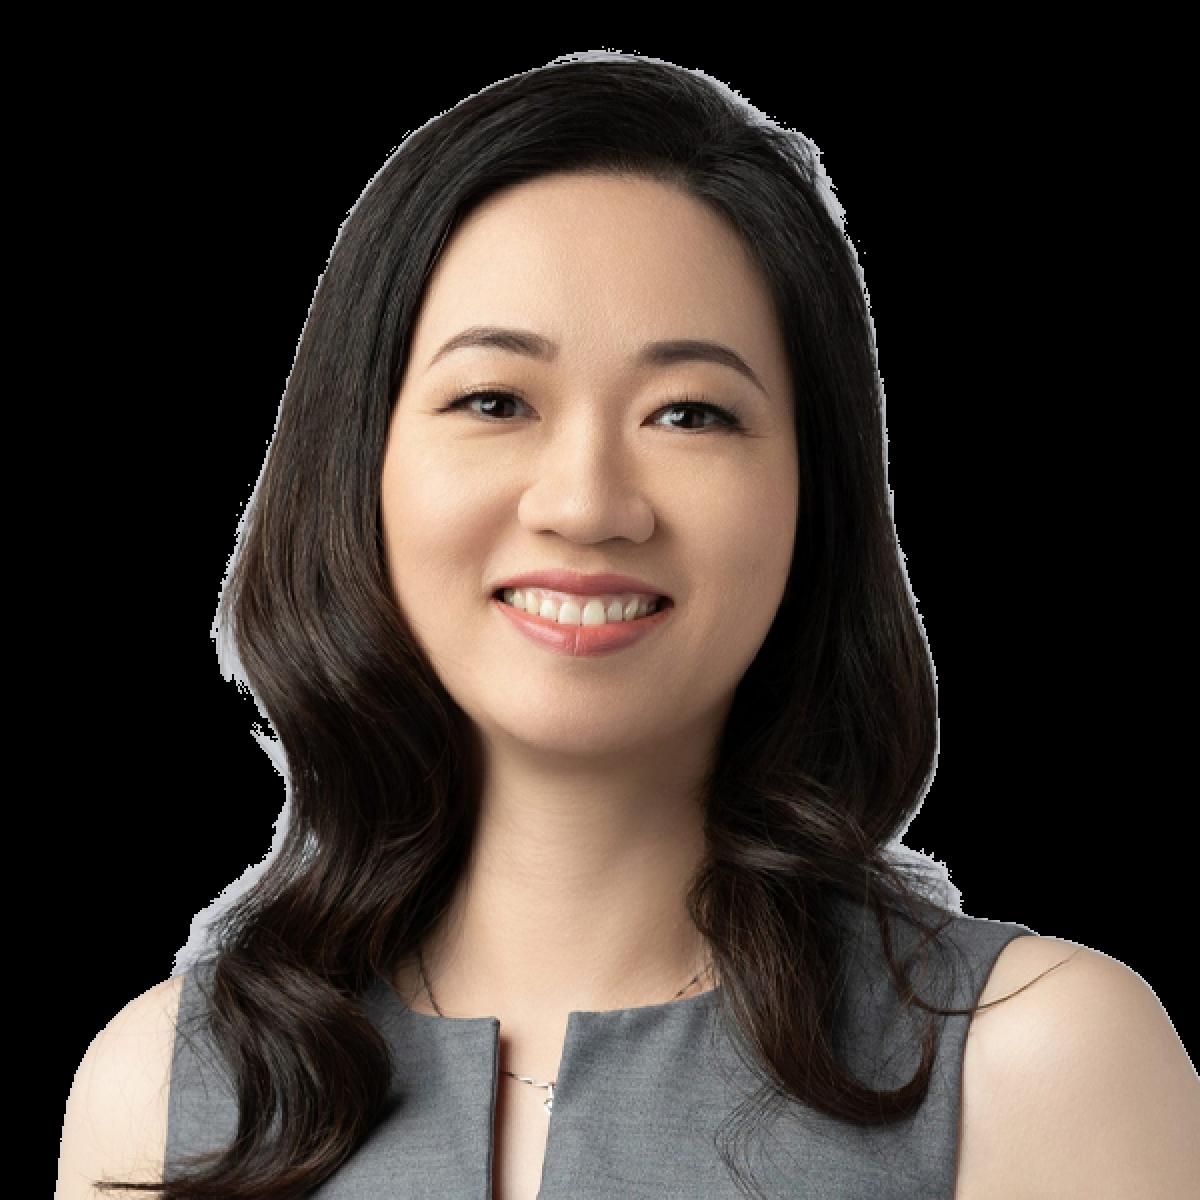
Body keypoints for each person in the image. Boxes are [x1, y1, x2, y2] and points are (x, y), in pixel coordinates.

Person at [57, 52, 1198, 1200]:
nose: (588, 504)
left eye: (692, 413)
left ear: (817, 497)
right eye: (494, 400)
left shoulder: (1038, 1062)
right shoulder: (162, 1093)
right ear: (357, 467)